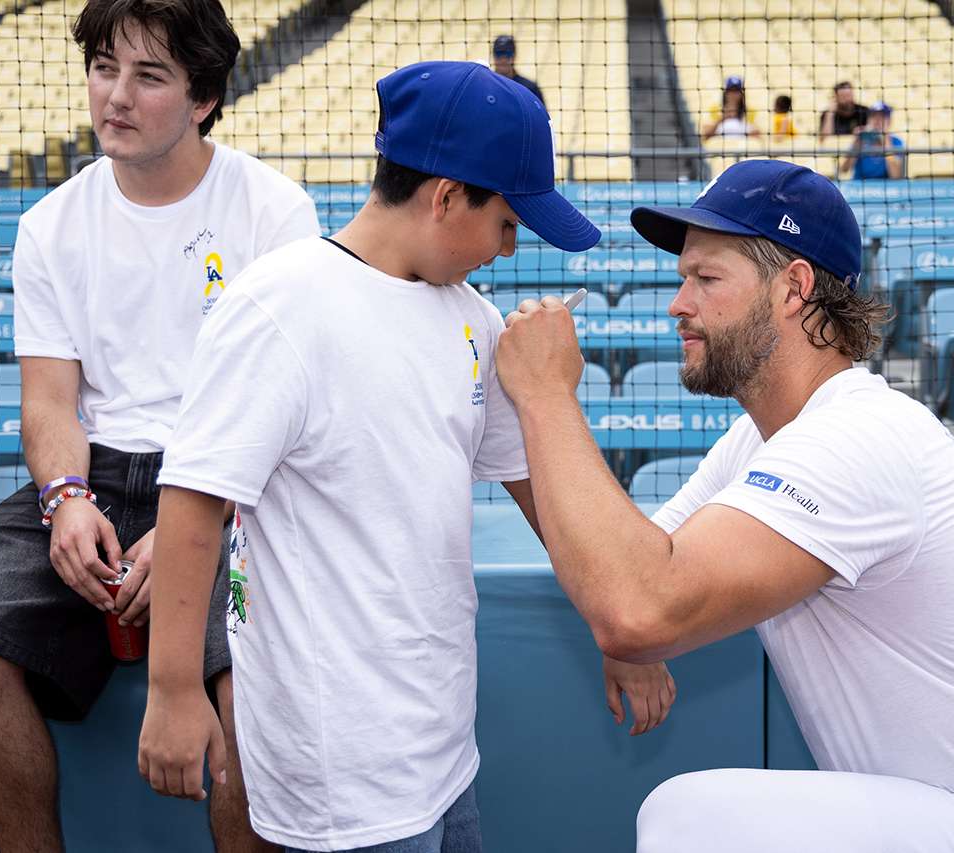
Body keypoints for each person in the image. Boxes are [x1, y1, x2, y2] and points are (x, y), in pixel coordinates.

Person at [492, 159, 954, 853]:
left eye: (706, 278)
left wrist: (546, 394)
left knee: (690, 816)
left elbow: (637, 603)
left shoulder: (859, 436)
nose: (678, 303)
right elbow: (623, 570)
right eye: (682, 277)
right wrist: (633, 621)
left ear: (794, 287)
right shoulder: (765, 437)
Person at [136, 61, 675, 852]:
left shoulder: (475, 320)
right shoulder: (279, 305)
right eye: (506, 221)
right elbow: (192, 500)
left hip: (441, 743)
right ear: (448, 196)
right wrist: (174, 687)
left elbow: (537, 489)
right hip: (337, 765)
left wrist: (621, 631)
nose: (510, 244)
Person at [0, 0, 321, 850]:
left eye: (148, 75)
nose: (114, 96)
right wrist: (66, 499)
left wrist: (197, 524)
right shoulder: (50, 226)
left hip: (231, 480)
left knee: (244, 691)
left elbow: (285, 414)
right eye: (103, 68)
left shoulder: (275, 215)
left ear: (202, 98)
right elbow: (49, 401)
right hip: (101, 468)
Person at [841, 101, 904, 179]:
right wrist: (856, 145)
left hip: (886, 188)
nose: (877, 121)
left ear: (889, 121)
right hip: (860, 187)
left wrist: (886, 143)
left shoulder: (896, 142)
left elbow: (896, 176)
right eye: (874, 116)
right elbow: (844, 170)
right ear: (868, 120)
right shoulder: (861, 139)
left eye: (882, 117)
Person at [491, 34, 544, 106]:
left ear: (514, 56)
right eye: (499, 54)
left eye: (508, 54)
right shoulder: (486, 87)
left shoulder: (529, 88)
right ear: (493, 56)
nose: (503, 60)